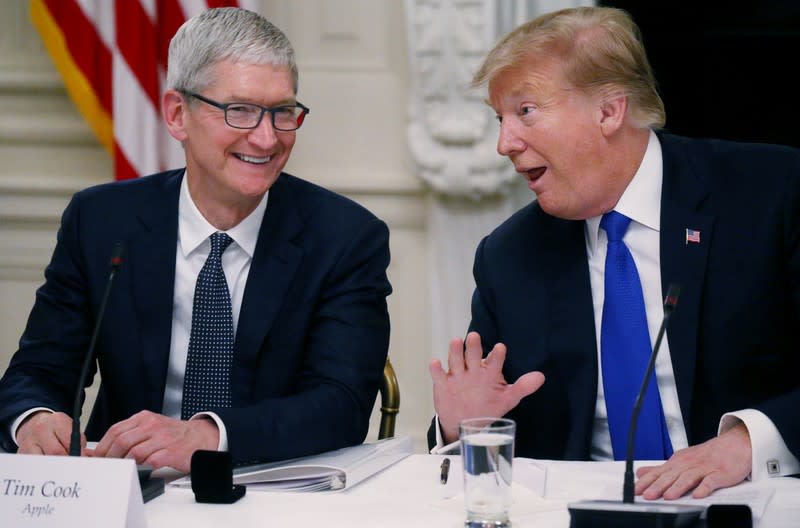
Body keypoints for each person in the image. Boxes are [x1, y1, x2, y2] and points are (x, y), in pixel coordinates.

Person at [429, 6, 799, 500]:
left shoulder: (770, 193)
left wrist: (748, 443)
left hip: (753, 496)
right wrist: (460, 429)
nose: (504, 143)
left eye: (526, 112)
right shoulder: (509, 256)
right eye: (500, 118)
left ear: (608, 111)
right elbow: (503, 434)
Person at [0, 7, 391, 473]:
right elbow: (40, 370)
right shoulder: (102, 221)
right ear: (178, 114)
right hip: (129, 485)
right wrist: (35, 420)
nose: (266, 138)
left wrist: (207, 436)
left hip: (266, 487)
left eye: (282, 112)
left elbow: (341, 404)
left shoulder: (345, 237)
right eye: (239, 110)